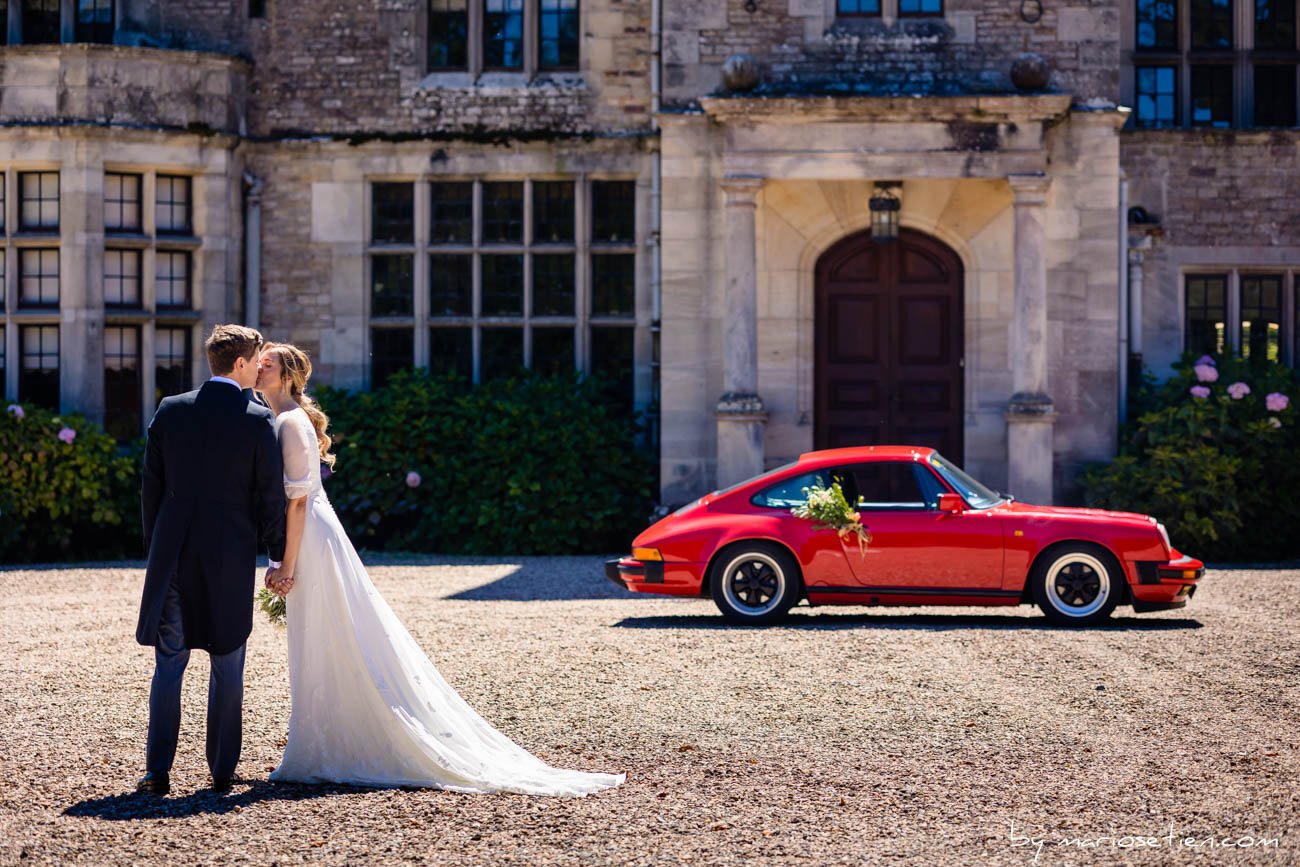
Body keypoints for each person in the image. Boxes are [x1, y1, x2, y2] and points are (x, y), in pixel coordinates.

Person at [254, 344, 624, 795]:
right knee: (323, 636)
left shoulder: (290, 421)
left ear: (288, 376)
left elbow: (296, 500)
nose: (258, 368)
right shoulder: (283, 417)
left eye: (267, 364)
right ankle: (326, 737)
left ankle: (336, 743)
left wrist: (285, 564)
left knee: (328, 635)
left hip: (308, 536)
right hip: (311, 531)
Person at [136, 325, 287, 796]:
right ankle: (222, 772)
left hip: (174, 553)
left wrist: (155, 547)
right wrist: (278, 555)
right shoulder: (255, 419)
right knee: (227, 663)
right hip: (228, 556)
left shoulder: (170, 410)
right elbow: (269, 499)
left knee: (170, 662)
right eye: (256, 359)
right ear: (241, 364)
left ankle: (156, 771)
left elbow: (151, 491)